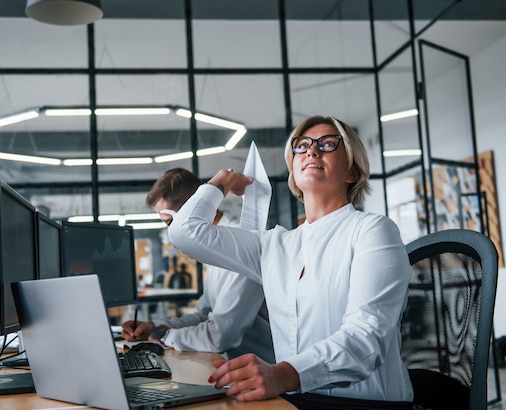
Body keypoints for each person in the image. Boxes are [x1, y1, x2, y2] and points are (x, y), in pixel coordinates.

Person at [169, 116, 414, 409]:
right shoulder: (273, 244)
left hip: (365, 403)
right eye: (302, 146)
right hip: (295, 399)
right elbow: (185, 232)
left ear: (351, 172)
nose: (312, 151)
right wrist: (222, 181)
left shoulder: (373, 231)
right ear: (293, 170)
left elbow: (365, 339)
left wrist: (283, 374)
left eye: (327, 144)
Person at [121, 168, 274, 363]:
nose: (171, 233)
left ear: (191, 209)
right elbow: (204, 314)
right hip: (238, 366)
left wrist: (164, 336)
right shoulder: (215, 243)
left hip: (272, 375)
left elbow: (220, 336)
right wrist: (155, 327)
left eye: (169, 223)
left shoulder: (239, 243)